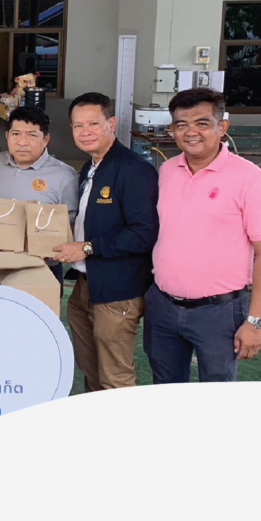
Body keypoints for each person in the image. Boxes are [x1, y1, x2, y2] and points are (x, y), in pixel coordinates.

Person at [144, 87, 261, 382]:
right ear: (172, 130)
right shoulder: (167, 170)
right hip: (163, 307)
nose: (191, 132)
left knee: (216, 397)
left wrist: (255, 321)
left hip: (219, 313)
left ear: (223, 127)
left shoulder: (250, 179)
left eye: (202, 123)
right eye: (181, 124)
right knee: (164, 392)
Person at [51, 92, 158, 392]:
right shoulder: (91, 167)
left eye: (93, 124)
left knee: (114, 377)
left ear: (111, 124)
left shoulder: (134, 170)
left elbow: (144, 233)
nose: (85, 132)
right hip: (84, 285)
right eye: (78, 126)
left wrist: (87, 248)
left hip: (117, 290)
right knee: (91, 370)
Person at [0, 105, 79, 283]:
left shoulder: (65, 176)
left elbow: (73, 226)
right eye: (16, 134)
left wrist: (42, 246)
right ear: (7, 136)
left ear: (46, 139)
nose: (22, 142)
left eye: (32, 135)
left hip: (40, 268)